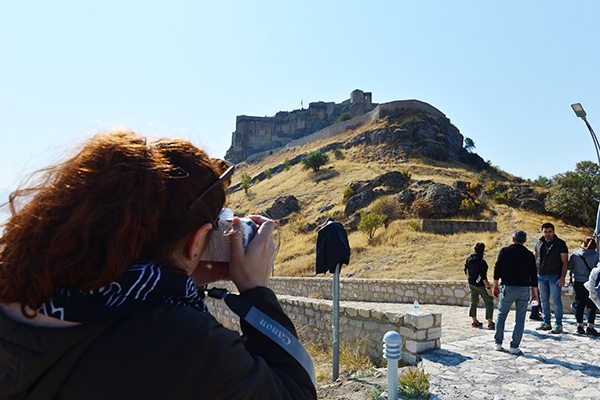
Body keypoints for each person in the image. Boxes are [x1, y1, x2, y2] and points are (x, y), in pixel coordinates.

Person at [0, 131, 317, 399]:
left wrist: (185, 276)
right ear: (196, 241)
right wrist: (256, 293)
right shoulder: (182, 341)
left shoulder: (18, 287)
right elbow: (295, 391)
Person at [492, 230, 538, 355]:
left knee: (502, 315)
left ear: (513, 239)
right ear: (524, 241)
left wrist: (495, 286)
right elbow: (533, 275)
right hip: (523, 289)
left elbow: (497, 269)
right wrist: (535, 294)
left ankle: (498, 343)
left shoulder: (504, 252)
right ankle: (514, 346)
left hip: (508, 288)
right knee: (520, 318)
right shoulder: (529, 255)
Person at [533, 222, 569, 334]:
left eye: (550, 232)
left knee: (556, 299)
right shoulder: (539, 243)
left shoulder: (560, 244)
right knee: (543, 300)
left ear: (553, 231)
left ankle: (558, 323)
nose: (548, 234)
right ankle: (546, 322)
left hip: (555, 276)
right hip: (541, 276)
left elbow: (565, 262)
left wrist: (563, 277)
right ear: (542, 232)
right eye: (545, 232)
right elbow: (535, 258)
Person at [568, 237, 600, 336]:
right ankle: (590, 327)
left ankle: (579, 326)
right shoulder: (596, 256)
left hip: (578, 281)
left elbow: (570, 268)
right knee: (591, 305)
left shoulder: (575, 255)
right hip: (590, 282)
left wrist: (570, 278)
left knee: (579, 304)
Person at [464, 242, 495, 329]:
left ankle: (474, 321)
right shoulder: (482, 262)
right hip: (480, 285)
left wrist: (468, 280)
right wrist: (488, 288)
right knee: (489, 301)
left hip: (471, 283)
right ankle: (490, 322)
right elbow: (483, 277)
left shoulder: (469, 259)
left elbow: (466, 270)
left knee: (473, 301)